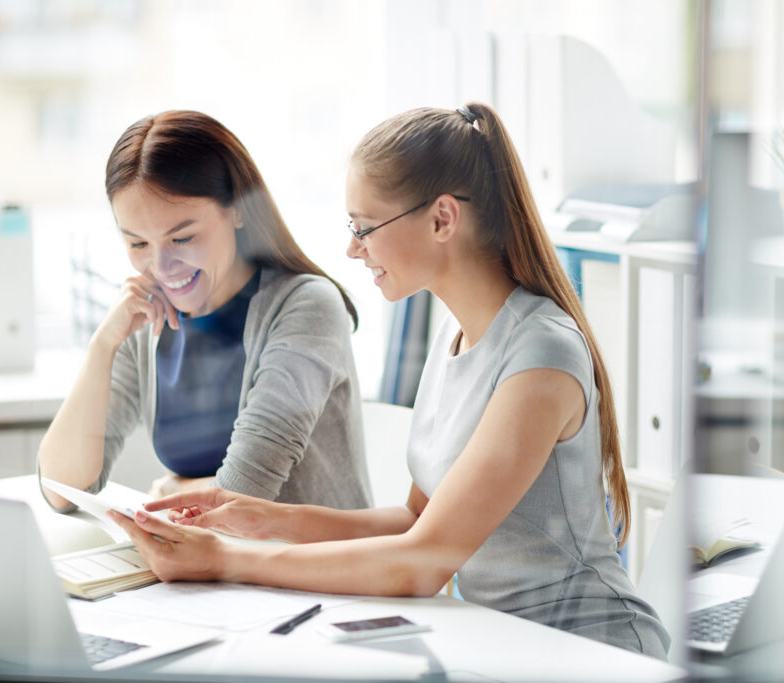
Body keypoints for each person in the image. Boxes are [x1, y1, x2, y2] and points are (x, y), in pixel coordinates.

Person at [108, 102, 669, 658]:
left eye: (365, 227)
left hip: (589, 651)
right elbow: (416, 521)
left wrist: (224, 558)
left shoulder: (540, 353)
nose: (353, 248)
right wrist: (268, 519)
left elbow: (424, 561)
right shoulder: (455, 336)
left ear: (442, 218)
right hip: (502, 645)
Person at [39, 110, 371, 512]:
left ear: (238, 208)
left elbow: (242, 498)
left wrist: (170, 491)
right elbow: (62, 489)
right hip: (207, 569)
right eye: (138, 244)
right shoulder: (147, 318)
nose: (161, 267)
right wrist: (102, 345)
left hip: (308, 570)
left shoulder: (306, 306)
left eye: (182, 237)